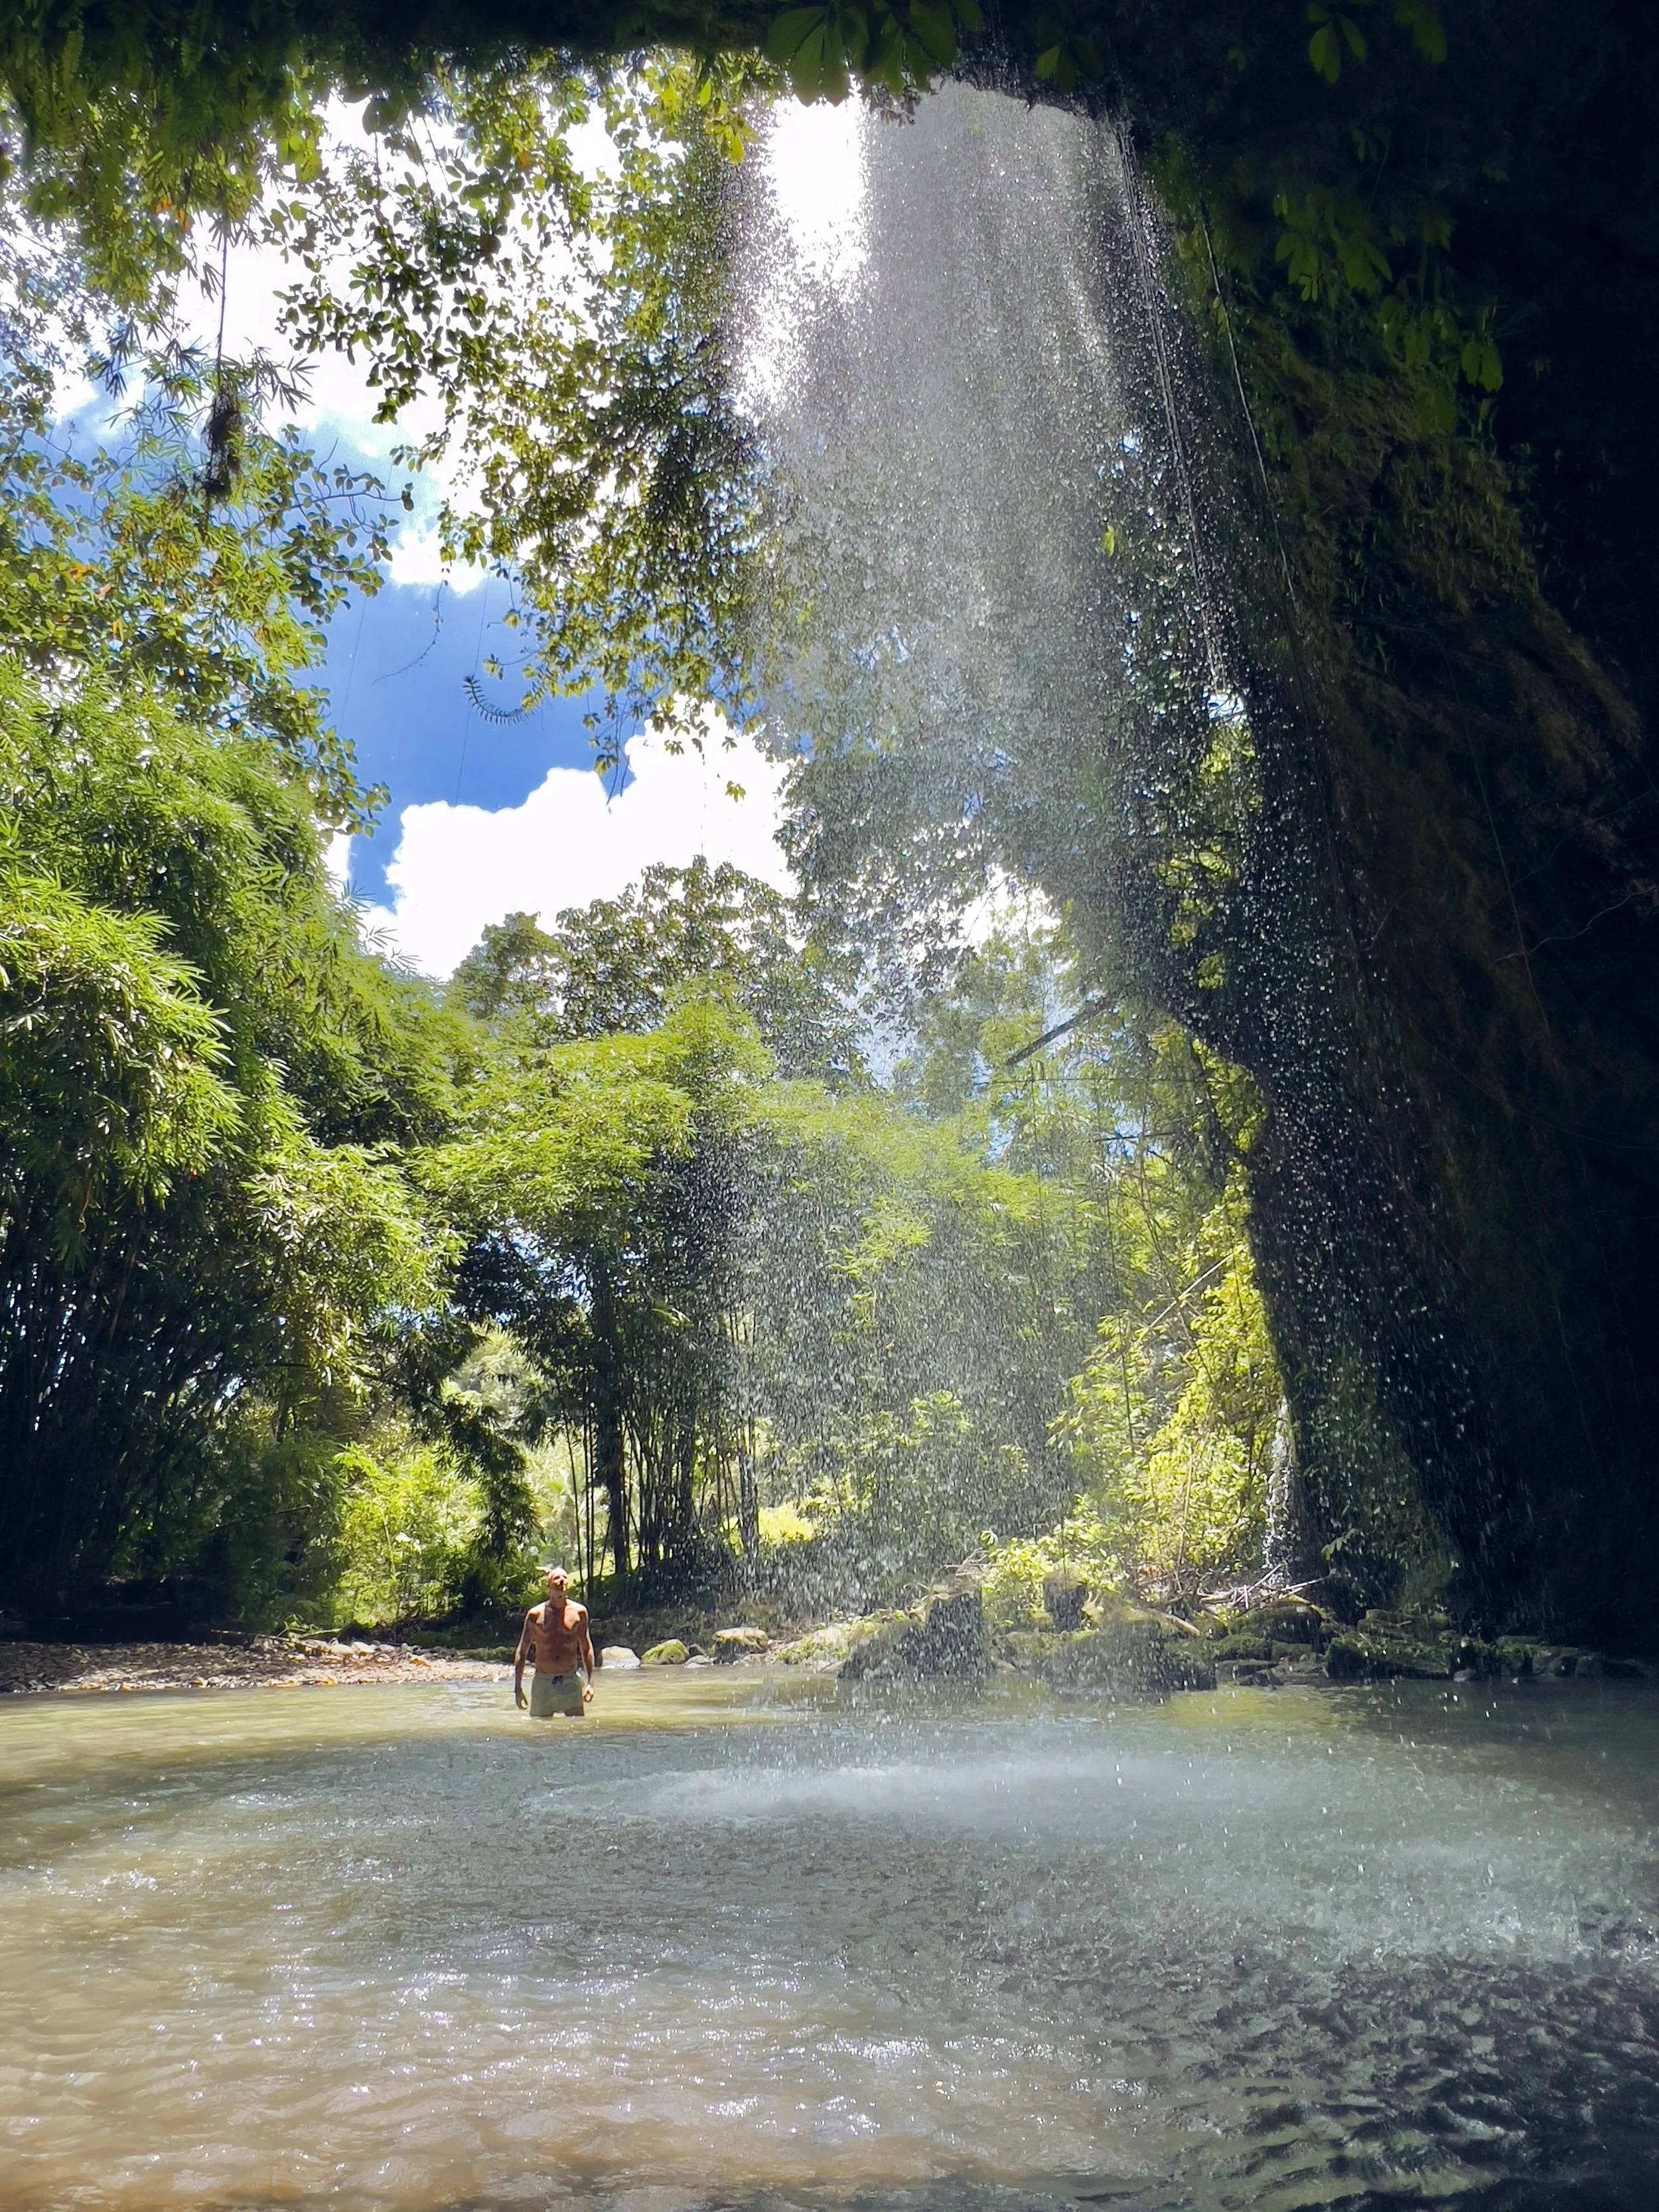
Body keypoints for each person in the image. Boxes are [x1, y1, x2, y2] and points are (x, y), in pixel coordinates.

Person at [514, 1566, 596, 1718]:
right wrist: (518, 1689)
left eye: (564, 1578)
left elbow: (586, 1648)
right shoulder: (535, 1615)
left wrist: (590, 1682)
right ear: (548, 1588)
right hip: (543, 1681)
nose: (561, 1581)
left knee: (577, 1728)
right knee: (540, 1731)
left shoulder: (579, 1613)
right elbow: (522, 1651)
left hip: (570, 1679)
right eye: (556, 1578)